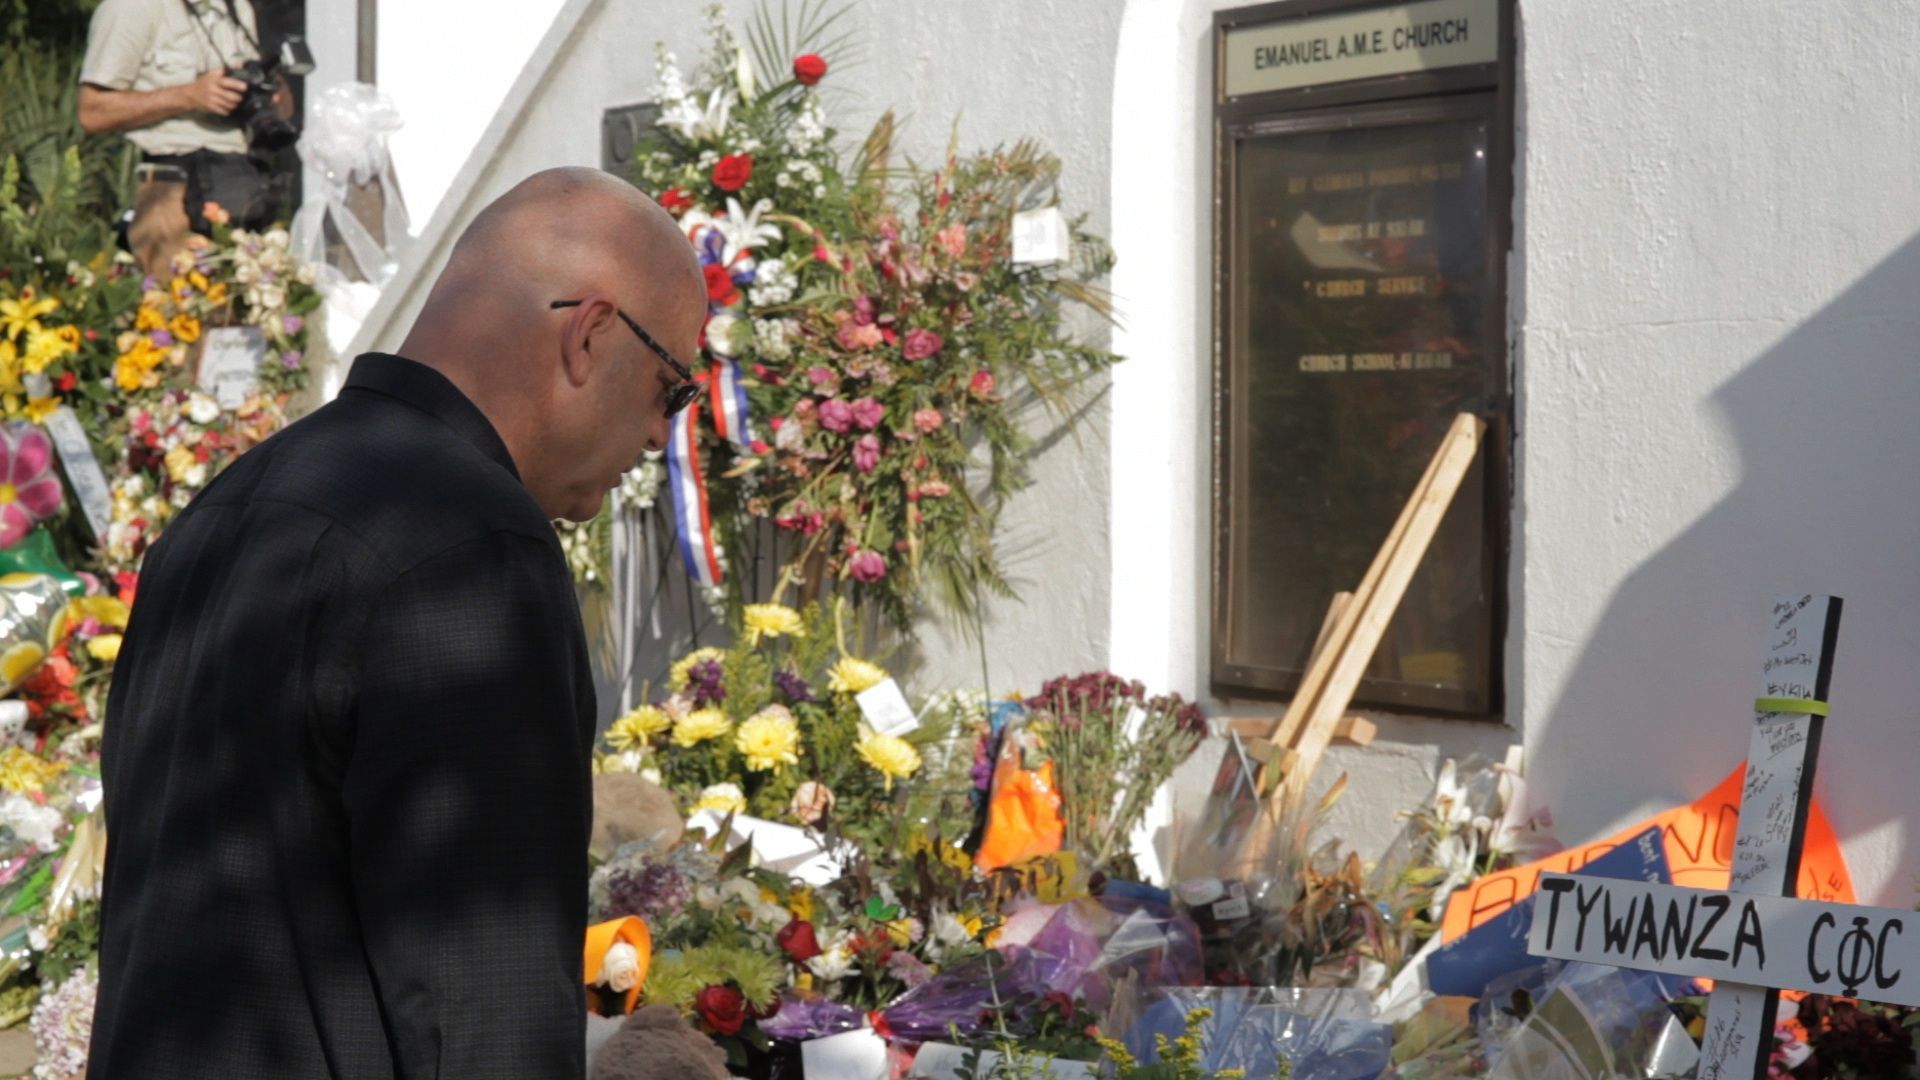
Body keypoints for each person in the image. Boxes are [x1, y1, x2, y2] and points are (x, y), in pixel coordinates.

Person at [88, 167, 707, 1078]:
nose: (663, 437)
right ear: (591, 334)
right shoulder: (472, 546)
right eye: (673, 389)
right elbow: (482, 1014)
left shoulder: (228, 507)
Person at [78, 0, 293, 272]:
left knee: (238, 310)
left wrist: (270, 94)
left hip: (241, 187)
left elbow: (283, 105)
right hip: (169, 192)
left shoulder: (237, 7)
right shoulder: (132, 7)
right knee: (175, 307)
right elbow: (92, 112)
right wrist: (188, 96)